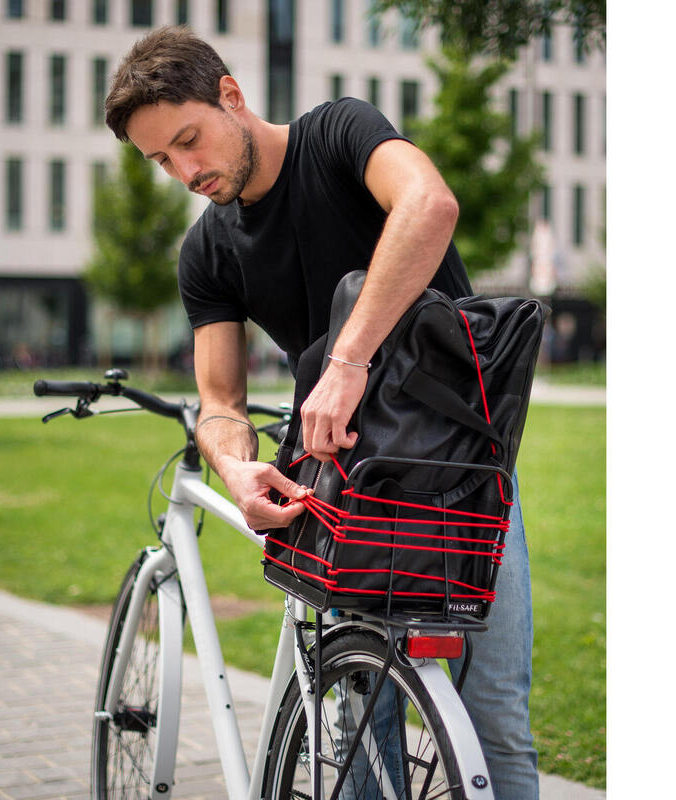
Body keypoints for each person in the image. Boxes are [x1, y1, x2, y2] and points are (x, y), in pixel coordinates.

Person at [105, 26, 538, 800]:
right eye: (162, 160)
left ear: (231, 95)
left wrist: (348, 360)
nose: (185, 171)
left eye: (189, 140)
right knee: (354, 728)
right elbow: (221, 400)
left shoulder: (338, 133)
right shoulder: (207, 253)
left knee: (493, 717)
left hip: (457, 473)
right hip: (339, 489)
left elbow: (429, 202)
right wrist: (236, 466)